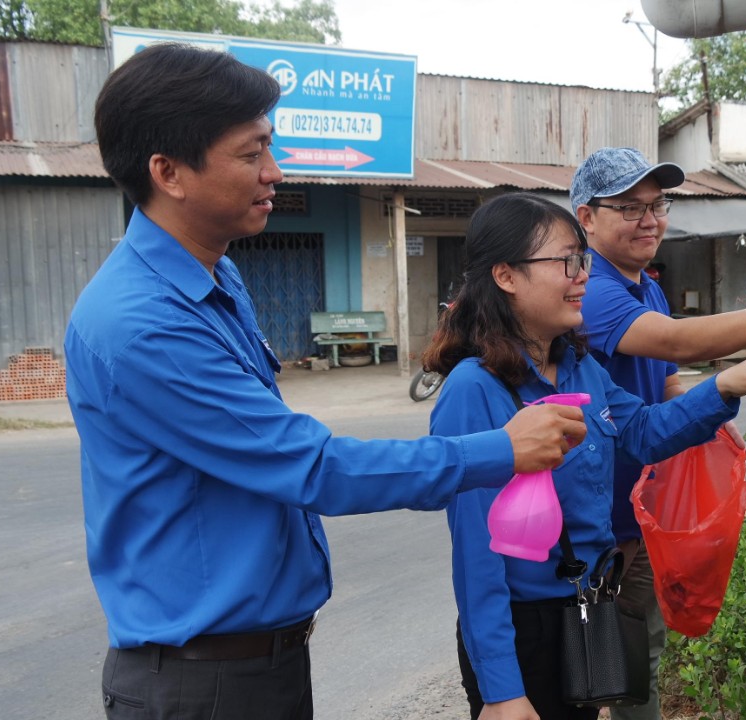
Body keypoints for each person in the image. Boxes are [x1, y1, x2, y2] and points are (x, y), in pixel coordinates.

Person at [66, 44, 586, 720]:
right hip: (201, 683)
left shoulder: (214, 276)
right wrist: (499, 450)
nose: (273, 172)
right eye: (250, 154)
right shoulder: (143, 324)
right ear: (168, 172)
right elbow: (310, 467)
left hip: (258, 663)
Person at [422, 192, 746, 720]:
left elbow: (644, 431)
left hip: (587, 607)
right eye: (567, 262)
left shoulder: (579, 368)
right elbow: (476, 559)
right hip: (522, 628)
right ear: (506, 276)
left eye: (583, 260)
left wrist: (727, 384)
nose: (582, 275)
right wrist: (502, 690)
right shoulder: (475, 390)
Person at [570, 146, 746, 720]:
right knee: (601, 666)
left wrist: (714, 400)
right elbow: (680, 342)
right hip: (601, 520)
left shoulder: (642, 282)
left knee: (638, 654)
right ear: (587, 218)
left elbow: (665, 375)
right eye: (629, 207)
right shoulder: (591, 289)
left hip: (642, 506)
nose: (650, 220)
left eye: (658, 204)